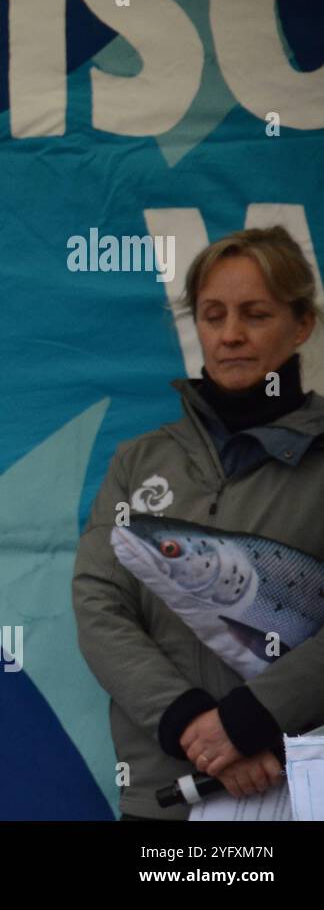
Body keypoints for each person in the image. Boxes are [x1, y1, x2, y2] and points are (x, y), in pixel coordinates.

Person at [73, 225, 324, 820]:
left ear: (302, 325)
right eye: (213, 315)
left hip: (302, 792)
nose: (231, 334)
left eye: (255, 314)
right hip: (166, 795)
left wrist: (253, 719)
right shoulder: (139, 461)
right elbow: (98, 604)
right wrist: (190, 724)